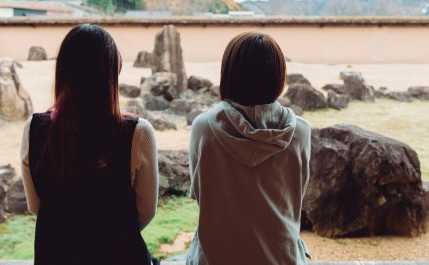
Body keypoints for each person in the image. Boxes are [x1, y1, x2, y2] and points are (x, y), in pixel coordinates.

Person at [20, 24, 158, 265]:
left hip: (57, 255)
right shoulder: (138, 133)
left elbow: (36, 206)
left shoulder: (34, 129)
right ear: (111, 75)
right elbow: (146, 212)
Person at [186, 32, 312, 265]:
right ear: (278, 76)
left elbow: (199, 193)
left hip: (216, 257)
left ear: (229, 74)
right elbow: (296, 194)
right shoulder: (299, 132)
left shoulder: (204, 128)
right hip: (281, 257)